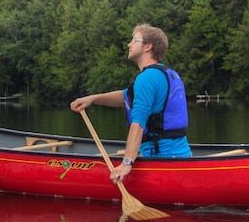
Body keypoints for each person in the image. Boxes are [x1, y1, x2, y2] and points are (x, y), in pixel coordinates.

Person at [70, 24, 191, 183]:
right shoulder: (165, 74)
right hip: (182, 155)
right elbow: (126, 96)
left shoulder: (146, 78)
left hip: (159, 157)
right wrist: (93, 98)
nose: (129, 44)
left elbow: (138, 124)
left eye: (134, 40)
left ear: (148, 46)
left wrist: (127, 162)